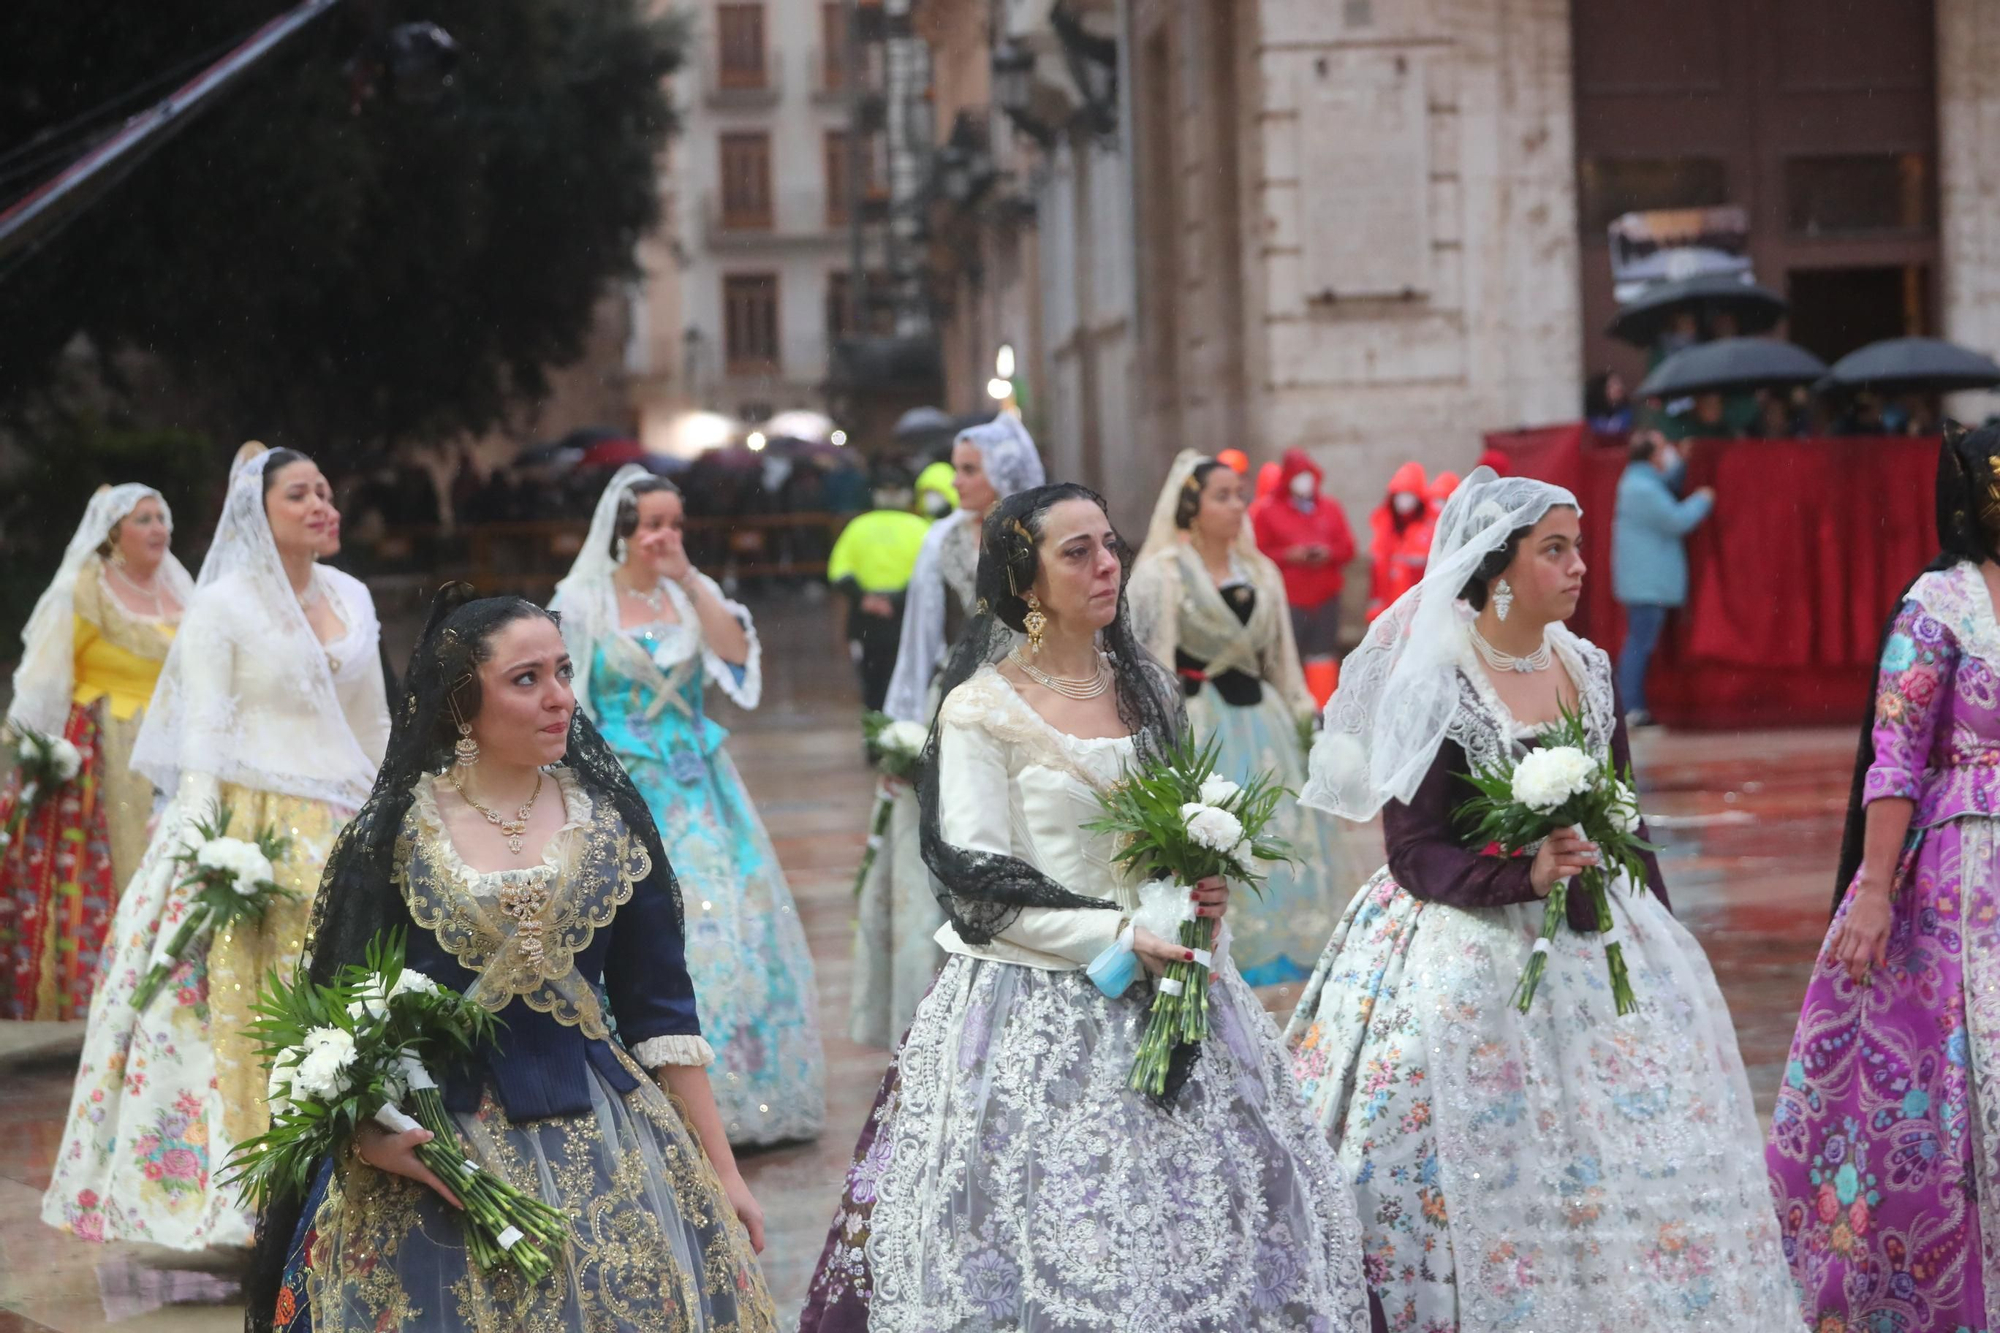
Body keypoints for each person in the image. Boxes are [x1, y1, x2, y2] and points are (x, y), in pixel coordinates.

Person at [799, 483, 1374, 1333]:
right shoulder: (979, 710)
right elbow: (978, 885)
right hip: (1033, 1002)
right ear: (1025, 581)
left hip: (1175, 986)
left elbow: (1170, 833)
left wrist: (1197, 891)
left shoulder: (1145, 690)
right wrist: (1116, 934)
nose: (1107, 565)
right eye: (1078, 552)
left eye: (1111, 545)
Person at [1285, 467, 1800, 1331]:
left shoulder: (1591, 669)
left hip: (1597, 927)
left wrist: (1661, 938)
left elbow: (1625, 817)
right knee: (1445, 1117)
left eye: (1577, 547)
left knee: (1635, 1129)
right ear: (1496, 568)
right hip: (1464, 929)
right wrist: (1518, 879)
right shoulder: (1440, 678)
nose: (1577, 567)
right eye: (1553, 549)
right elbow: (1414, 852)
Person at [246, 587, 775, 1333]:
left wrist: (724, 1174)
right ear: (463, 703)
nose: (558, 697)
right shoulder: (397, 835)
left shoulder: (612, 825)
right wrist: (371, 1136)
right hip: (440, 1159)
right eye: (526, 679)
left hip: (613, 1142)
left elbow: (663, 1019)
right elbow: (337, 1016)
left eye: (562, 672)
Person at [43, 444, 391, 1249]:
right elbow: (202, 732)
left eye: (326, 491)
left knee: (356, 1000)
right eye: (300, 494)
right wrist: (198, 852)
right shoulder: (225, 604)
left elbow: (372, 722)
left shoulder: (353, 594)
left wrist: (391, 814)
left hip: (343, 820)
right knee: (238, 1003)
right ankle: (251, 1194)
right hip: (252, 822)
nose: (321, 506)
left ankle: (356, 1177)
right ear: (257, 515)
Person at [1766, 424, 2000, 1332]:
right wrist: (1870, 892)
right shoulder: (1939, 604)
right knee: (1947, 1090)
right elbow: (1895, 756)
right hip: (1956, 879)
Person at [551, 465, 824, 1146]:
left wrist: (692, 577)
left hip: (701, 784)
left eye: (675, 523)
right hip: (625, 788)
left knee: (730, 917)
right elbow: (568, 700)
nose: (664, 536)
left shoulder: (690, 597)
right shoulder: (583, 603)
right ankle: (651, 1092)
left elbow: (734, 658)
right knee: (647, 928)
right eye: (652, 525)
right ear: (622, 533)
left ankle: (743, 1089)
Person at [1129, 451, 1374, 985]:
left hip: (1264, 723)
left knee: (1283, 832)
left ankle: (1291, 945)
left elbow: (1284, 661)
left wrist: (1307, 721)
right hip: (1201, 724)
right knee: (1215, 836)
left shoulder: (1262, 571)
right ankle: (1221, 949)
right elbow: (1154, 664)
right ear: (1191, 508)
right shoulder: (1162, 575)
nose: (1237, 505)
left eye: (1240, 493)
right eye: (1223, 496)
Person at [847, 414, 1045, 1048]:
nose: (958, 481)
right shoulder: (941, 541)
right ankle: (951, 991)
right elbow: (921, 637)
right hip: (958, 697)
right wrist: (906, 725)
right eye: (957, 468)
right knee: (955, 832)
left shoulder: (1037, 534)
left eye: (970, 469)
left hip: (1032, 698)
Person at [1, 485, 191, 1020]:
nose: (159, 528)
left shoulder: (183, 591)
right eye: (144, 519)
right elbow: (45, 675)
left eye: (163, 516)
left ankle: (169, 1000)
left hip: (175, 747)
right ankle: (108, 998)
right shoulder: (83, 590)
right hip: (104, 751)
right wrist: (37, 748)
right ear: (113, 534)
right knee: (104, 875)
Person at [1612, 429, 1715, 727]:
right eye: (1663, 450)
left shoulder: (1640, 481)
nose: (1667, 454)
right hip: (1646, 583)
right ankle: (1630, 708)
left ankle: (1632, 706)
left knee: (1639, 642)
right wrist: (1703, 500)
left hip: (1644, 582)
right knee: (1639, 644)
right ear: (1652, 456)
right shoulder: (1642, 489)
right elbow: (1676, 520)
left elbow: (1666, 483)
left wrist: (1682, 461)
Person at [1252, 447, 1356, 707]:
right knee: (1287, 656)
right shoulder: (1268, 511)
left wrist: (1327, 553)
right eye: (1299, 476)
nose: (1305, 481)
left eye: (1309, 475)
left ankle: (1322, 710)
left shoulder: (1329, 508)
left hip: (1325, 597)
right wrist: (1290, 555)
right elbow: (1256, 554)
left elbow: (1348, 548)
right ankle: (1289, 709)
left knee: (1322, 657)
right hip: (1289, 599)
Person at [826, 465, 932, 711]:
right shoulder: (921, 528)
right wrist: (894, 601)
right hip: (905, 618)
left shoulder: (857, 527)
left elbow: (839, 572)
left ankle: (876, 738)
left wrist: (865, 599)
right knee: (906, 685)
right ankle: (901, 739)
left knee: (872, 686)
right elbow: (928, 577)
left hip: (866, 622)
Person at [1365, 460, 1431, 621]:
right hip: (1389, 610)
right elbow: (1377, 573)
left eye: (1409, 495)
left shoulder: (1429, 530)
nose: (1404, 501)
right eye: (1400, 496)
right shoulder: (1384, 528)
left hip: (1419, 609)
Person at [1584, 369, 1634, 433]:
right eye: (1612, 385)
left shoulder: (1628, 412)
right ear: (1602, 389)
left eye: (1619, 384)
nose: (1618, 388)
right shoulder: (1592, 415)